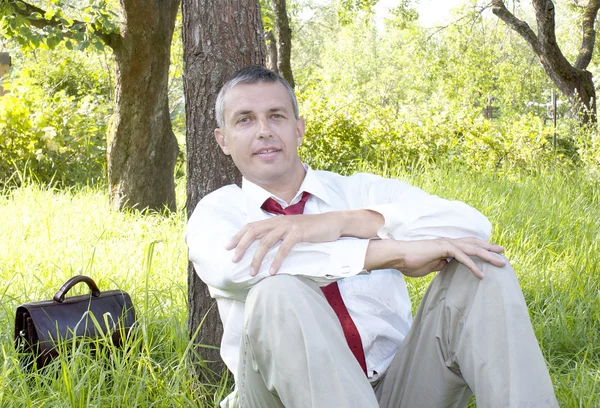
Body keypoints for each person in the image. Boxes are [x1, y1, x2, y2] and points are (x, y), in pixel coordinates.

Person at [185, 66, 558, 408]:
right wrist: (385, 253)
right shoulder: (218, 212)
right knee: (278, 291)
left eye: (276, 116)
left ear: (298, 128)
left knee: (480, 268)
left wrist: (345, 221)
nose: (264, 130)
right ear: (223, 139)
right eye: (245, 120)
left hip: (397, 388)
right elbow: (240, 267)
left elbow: (472, 227)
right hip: (280, 397)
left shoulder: (358, 192)